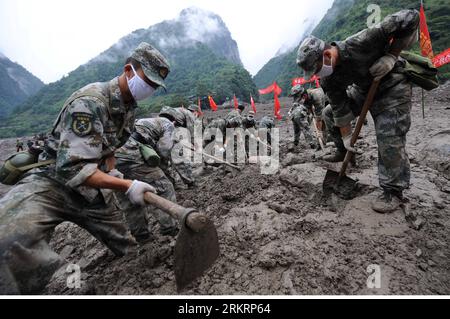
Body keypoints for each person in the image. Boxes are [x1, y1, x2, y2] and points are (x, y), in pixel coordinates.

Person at [0, 42, 170, 294]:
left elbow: (111, 145)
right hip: (52, 183)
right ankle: (57, 284)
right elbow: (73, 167)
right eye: (149, 81)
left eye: (155, 86)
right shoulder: (89, 103)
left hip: (92, 191)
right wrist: (126, 184)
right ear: (128, 70)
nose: (151, 89)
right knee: (8, 239)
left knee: (130, 250)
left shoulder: (128, 107)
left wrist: (112, 171)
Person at [296, 9, 419, 213]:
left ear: (326, 55)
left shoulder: (362, 40)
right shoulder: (328, 78)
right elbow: (339, 107)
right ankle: (344, 152)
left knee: (388, 135)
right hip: (364, 89)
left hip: (391, 85)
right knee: (328, 114)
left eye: (316, 69)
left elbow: (411, 17)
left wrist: (391, 56)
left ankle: (393, 191)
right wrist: (347, 137)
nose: (317, 74)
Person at [115, 117, 180, 241]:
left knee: (127, 192)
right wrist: (163, 172)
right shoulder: (169, 126)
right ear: (175, 123)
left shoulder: (145, 122)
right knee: (164, 187)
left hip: (111, 157)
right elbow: (164, 151)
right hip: (129, 153)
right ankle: (170, 229)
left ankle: (142, 236)